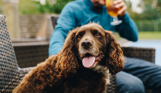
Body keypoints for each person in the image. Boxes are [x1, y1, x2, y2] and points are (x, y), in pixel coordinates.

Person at [49, 0, 161, 93]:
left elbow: (133, 36)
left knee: (159, 75)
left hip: (112, 58)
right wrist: (61, 62)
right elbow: (59, 35)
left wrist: (123, 16)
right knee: (133, 86)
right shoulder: (73, 8)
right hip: (88, 63)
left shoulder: (111, 10)